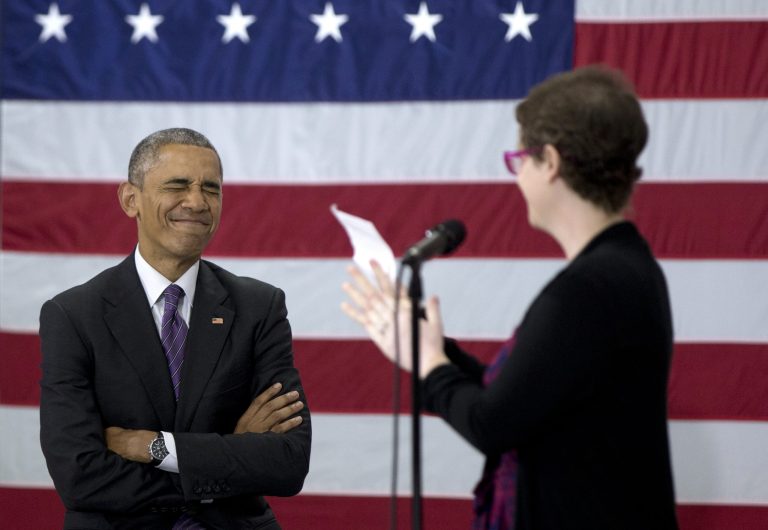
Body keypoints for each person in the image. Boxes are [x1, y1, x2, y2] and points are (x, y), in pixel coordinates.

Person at [342, 67, 678, 530]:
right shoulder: (626, 267)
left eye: (520, 159)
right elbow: (524, 401)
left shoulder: (589, 288)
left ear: (551, 163)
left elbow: (493, 423)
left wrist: (428, 364)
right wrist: (432, 350)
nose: (517, 177)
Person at [39, 128, 311, 529]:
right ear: (130, 200)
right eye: (178, 185)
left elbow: (288, 462)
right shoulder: (73, 314)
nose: (197, 202)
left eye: (211, 189)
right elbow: (80, 477)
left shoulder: (260, 307)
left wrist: (153, 446)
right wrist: (228, 459)